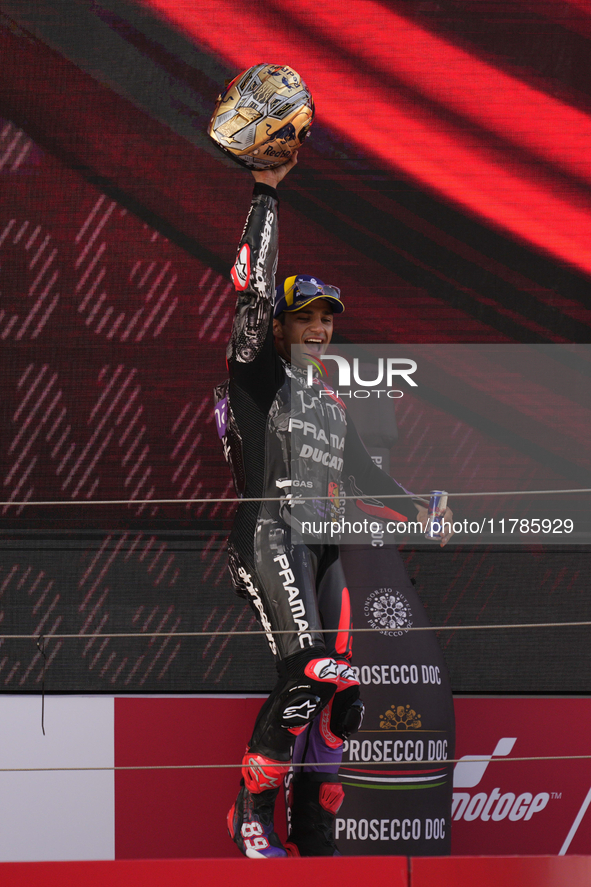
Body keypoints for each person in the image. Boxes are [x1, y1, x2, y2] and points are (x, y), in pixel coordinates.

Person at [215, 154, 451, 858]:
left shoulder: (334, 401)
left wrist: (420, 511)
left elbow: (368, 480)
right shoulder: (256, 376)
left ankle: (315, 836)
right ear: (281, 328)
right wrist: (265, 190)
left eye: (327, 320)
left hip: (321, 548)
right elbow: (252, 294)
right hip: (268, 535)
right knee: (312, 671)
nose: (319, 330)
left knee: (340, 706)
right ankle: (251, 813)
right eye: (306, 319)